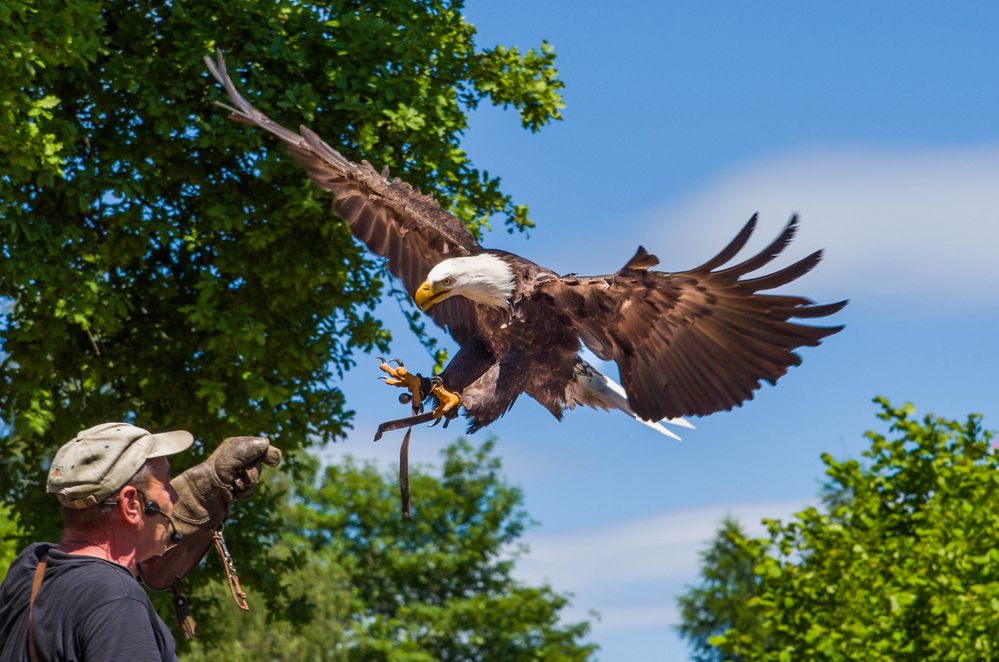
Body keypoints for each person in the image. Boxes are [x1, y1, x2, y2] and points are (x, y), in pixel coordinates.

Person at [0, 422, 281, 661]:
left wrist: (207, 489)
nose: (175, 497)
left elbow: (103, 564)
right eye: (168, 484)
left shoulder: (31, 568)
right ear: (132, 504)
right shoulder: (116, 602)